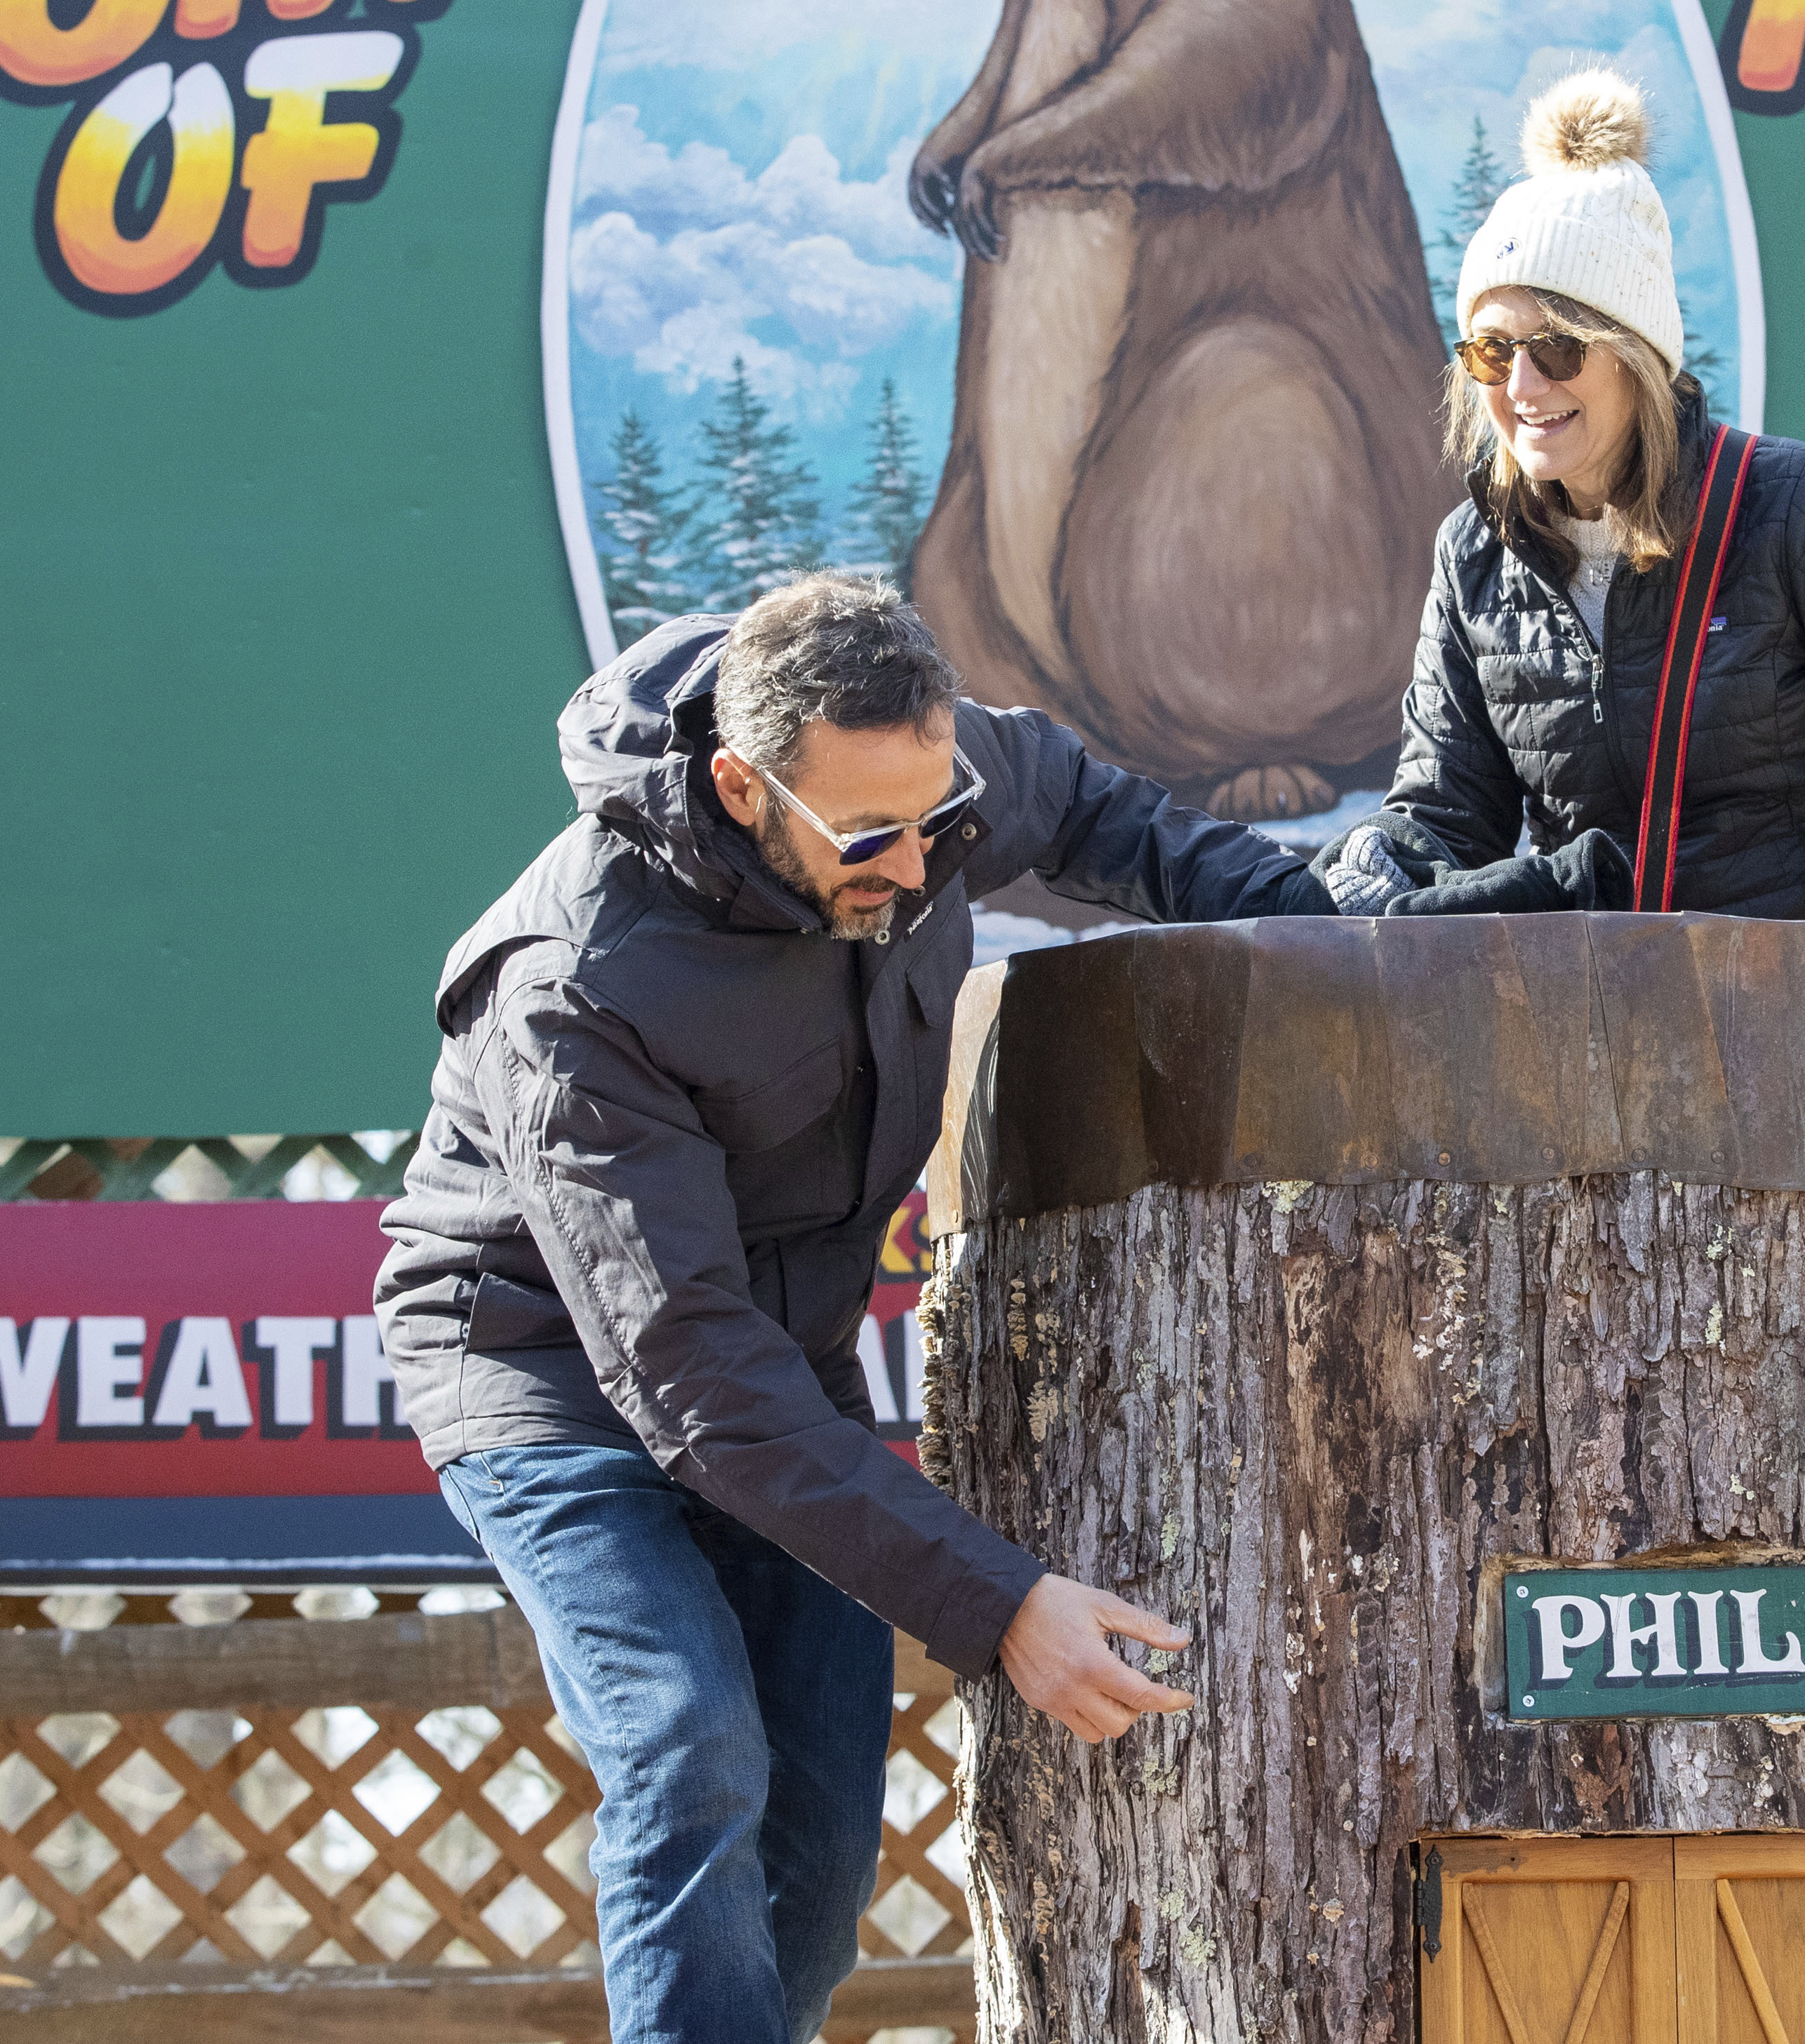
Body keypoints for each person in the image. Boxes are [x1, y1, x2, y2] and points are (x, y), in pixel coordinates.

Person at [372, 573, 1338, 2044]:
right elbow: (689, 1375)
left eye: (939, 818)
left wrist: (1321, 933)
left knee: (823, 1823)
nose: (920, 859)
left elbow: (1089, 812)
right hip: (550, 1379)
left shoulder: (915, 783)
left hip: (777, 1359)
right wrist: (1000, 1603)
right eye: (871, 838)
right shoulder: (576, 984)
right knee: (689, 1743)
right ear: (738, 787)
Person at [1321, 69, 1805, 937]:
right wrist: (1375, 861)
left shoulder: (1796, 507)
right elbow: (1448, 821)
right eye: (1492, 353)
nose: (1522, 385)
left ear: (1635, 355)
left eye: (1558, 350)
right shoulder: (1473, 556)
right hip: (1611, 1031)